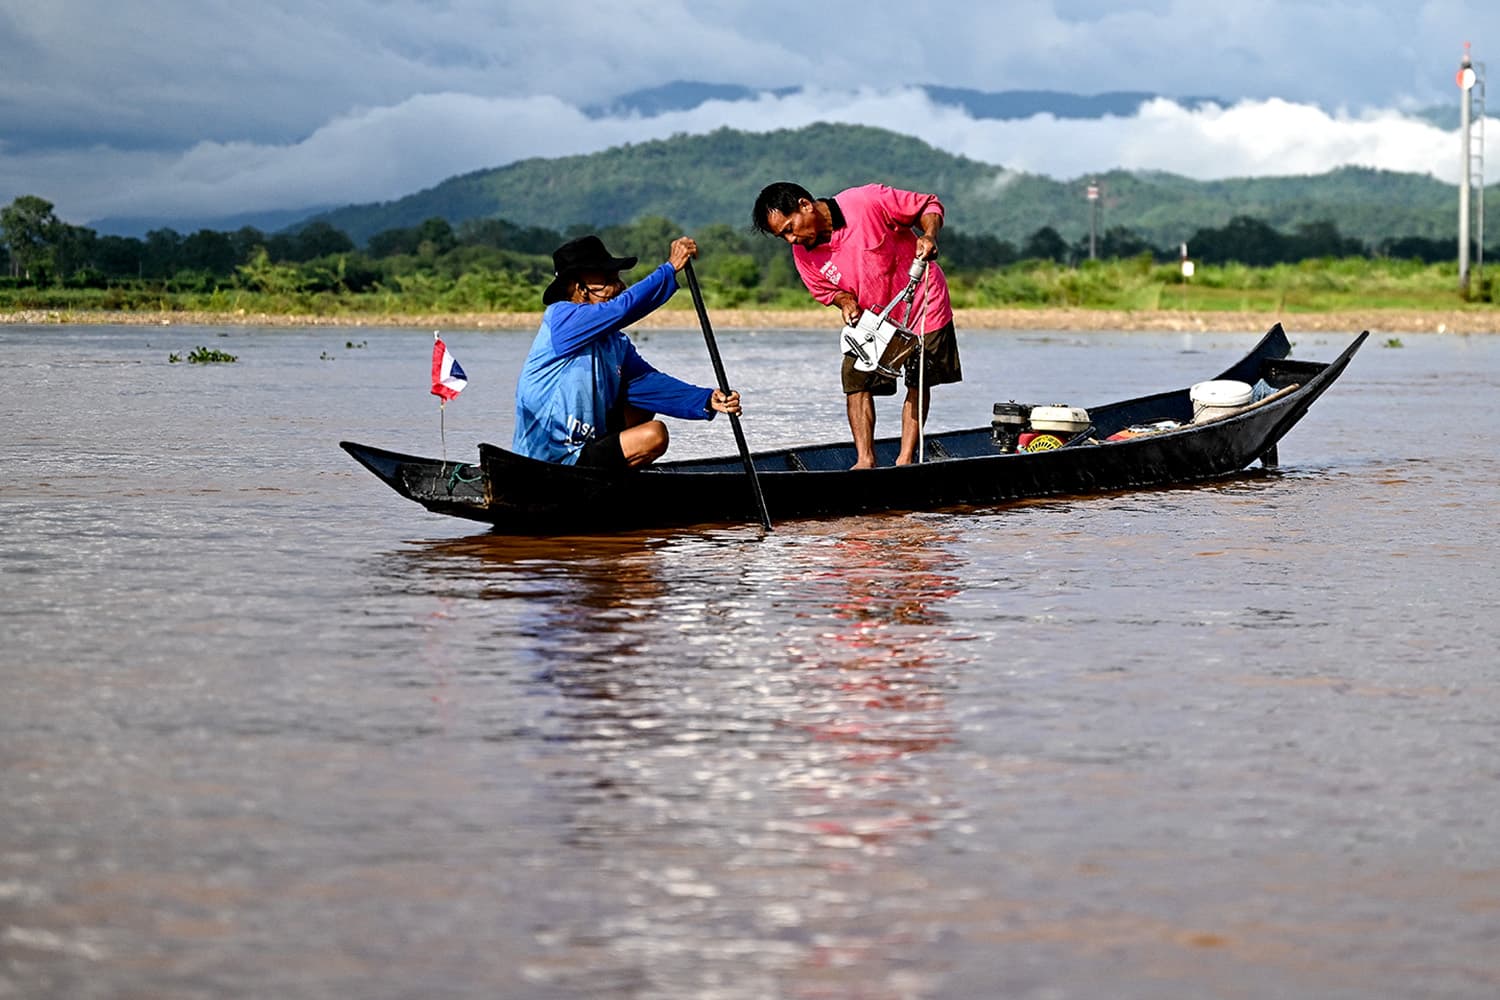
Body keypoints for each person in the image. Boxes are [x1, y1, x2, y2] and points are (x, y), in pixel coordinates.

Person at [751, 181, 962, 469]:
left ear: (805, 205)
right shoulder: (803, 254)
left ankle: (905, 459)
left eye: (789, 228)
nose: (790, 240)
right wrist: (845, 301)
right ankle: (865, 460)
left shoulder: (865, 201)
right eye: (782, 236)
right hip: (873, 320)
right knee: (855, 381)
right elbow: (826, 291)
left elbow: (928, 205)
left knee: (918, 381)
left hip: (924, 303)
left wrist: (928, 234)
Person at [513, 234, 741, 468]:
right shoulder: (560, 318)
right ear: (580, 287)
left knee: (643, 408)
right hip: (547, 457)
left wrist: (707, 399)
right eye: (610, 278)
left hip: (586, 450)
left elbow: (649, 384)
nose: (620, 286)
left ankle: (607, 482)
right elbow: (620, 310)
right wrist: (670, 269)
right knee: (655, 434)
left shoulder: (616, 343)